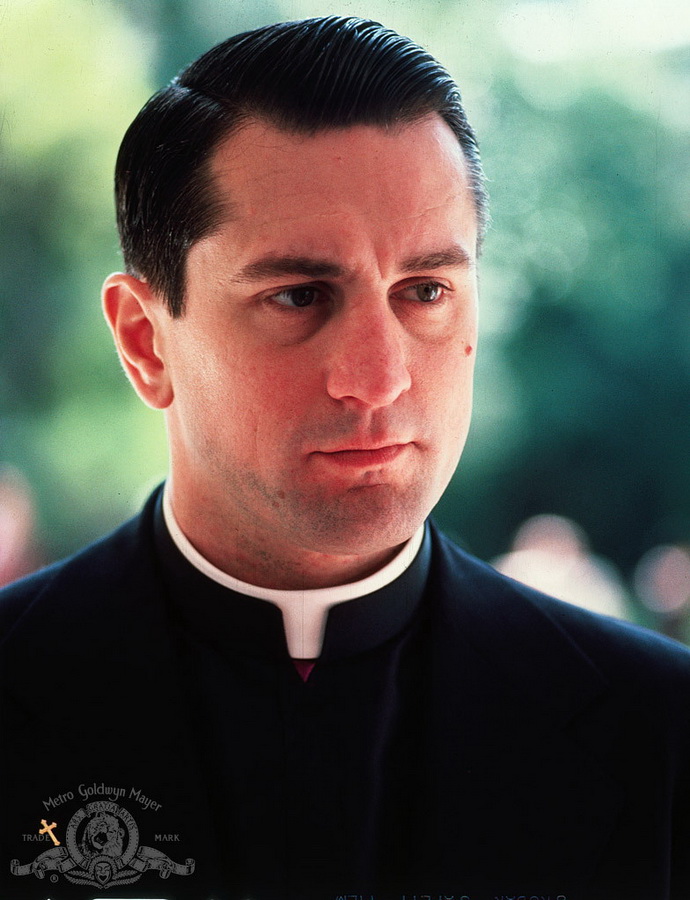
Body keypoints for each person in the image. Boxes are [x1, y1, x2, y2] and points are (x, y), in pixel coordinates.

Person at [1, 16, 689, 900]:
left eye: (426, 290)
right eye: (299, 296)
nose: (378, 377)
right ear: (145, 342)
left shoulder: (661, 735)